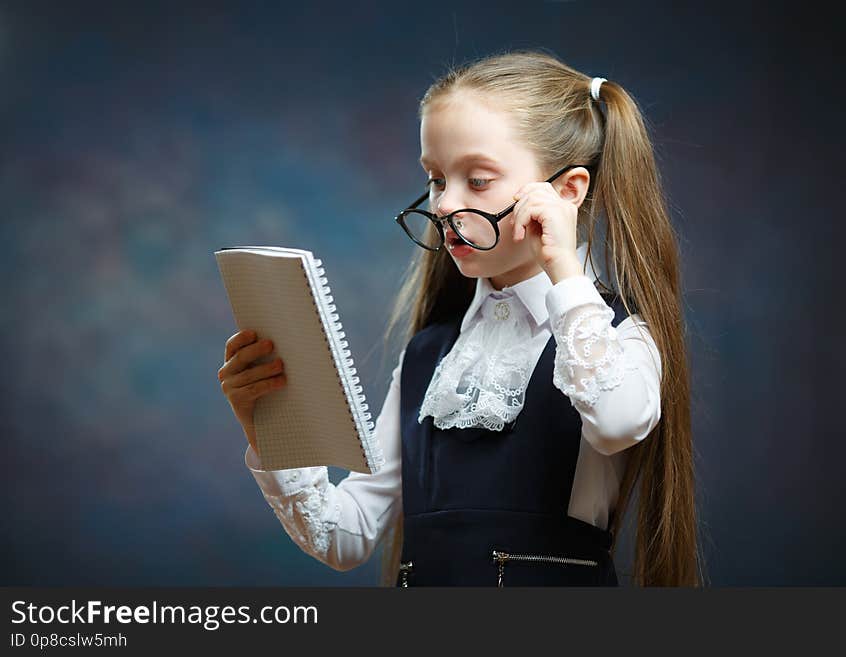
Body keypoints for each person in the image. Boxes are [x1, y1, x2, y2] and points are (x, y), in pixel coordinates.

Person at [217, 49, 703, 587]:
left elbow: (616, 422)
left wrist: (564, 267)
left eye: (477, 180)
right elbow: (344, 535)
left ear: (566, 191)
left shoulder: (614, 334)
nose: (444, 203)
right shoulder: (428, 356)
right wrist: (270, 423)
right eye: (435, 178)